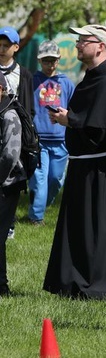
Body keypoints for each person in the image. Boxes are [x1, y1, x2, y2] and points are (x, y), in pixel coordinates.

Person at [43, 24, 106, 301]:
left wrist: (69, 119)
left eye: (84, 40)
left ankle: (96, 286)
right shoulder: (94, 77)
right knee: (78, 225)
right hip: (83, 163)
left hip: (99, 168)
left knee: (96, 226)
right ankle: (72, 282)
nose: (78, 45)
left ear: (101, 46)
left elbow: (103, 127)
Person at [27, 41, 75, 226]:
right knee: (39, 179)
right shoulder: (32, 81)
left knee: (55, 179)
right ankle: (36, 218)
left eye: (53, 60)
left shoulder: (67, 83)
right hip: (38, 140)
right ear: (40, 61)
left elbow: (74, 110)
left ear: (59, 60)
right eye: (46, 60)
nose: (50, 64)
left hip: (61, 140)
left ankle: (40, 205)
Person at [0, 26, 34, 240]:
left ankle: (9, 222)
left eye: (6, 45)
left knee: (12, 175)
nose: (2, 49)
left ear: (16, 47)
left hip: (16, 133)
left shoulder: (25, 74)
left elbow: (29, 109)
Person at [0, 72, 26, 297]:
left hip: (7, 184)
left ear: (1, 89)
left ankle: (2, 286)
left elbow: (10, 155)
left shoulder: (9, 116)